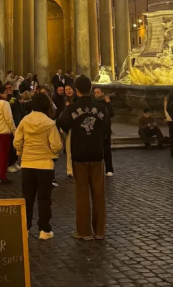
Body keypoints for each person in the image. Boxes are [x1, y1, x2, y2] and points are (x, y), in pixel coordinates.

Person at [58, 75, 109, 240]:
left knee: (82, 193)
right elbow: (107, 129)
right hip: (97, 153)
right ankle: (100, 231)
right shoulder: (101, 108)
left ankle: (84, 231)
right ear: (90, 88)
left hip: (79, 154)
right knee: (99, 193)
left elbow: (62, 125)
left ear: (77, 90)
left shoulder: (71, 108)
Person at [14, 93, 63, 240]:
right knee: (44, 198)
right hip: (45, 165)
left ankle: (25, 228)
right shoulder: (49, 123)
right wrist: (52, 152)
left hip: (28, 164)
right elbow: (56, 145)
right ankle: (44, 229)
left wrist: (23, 152)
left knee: (27, 198)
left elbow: (17, 141)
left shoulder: (24, 121)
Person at [94, 87, 114, 176]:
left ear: (102, 93)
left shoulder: (106, 102)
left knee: (107, 150)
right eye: (95, 92)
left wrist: (108, 102)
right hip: (96, 129)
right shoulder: (93, 102)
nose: (96, 94)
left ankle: (109, 169)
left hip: (105, 129)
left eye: (98, 92)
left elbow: (111, 113)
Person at [4, 82, 23, 173]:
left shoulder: (16, 97)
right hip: (10, 126)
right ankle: (9, 163)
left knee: (17, 145)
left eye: (10, 87)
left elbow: (21, 109)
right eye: (7, 88)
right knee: (10, 146)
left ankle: (14, 161)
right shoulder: (5, 100)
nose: (9, 89)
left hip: (18, 123)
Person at [63, 84, 77, 178]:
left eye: (69, 89)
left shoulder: (77, 100)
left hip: (76, 127)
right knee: (68, 149)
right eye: (66, 90)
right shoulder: (65, 101)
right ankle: (69, 169)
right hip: (68, 128)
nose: (68, 91)